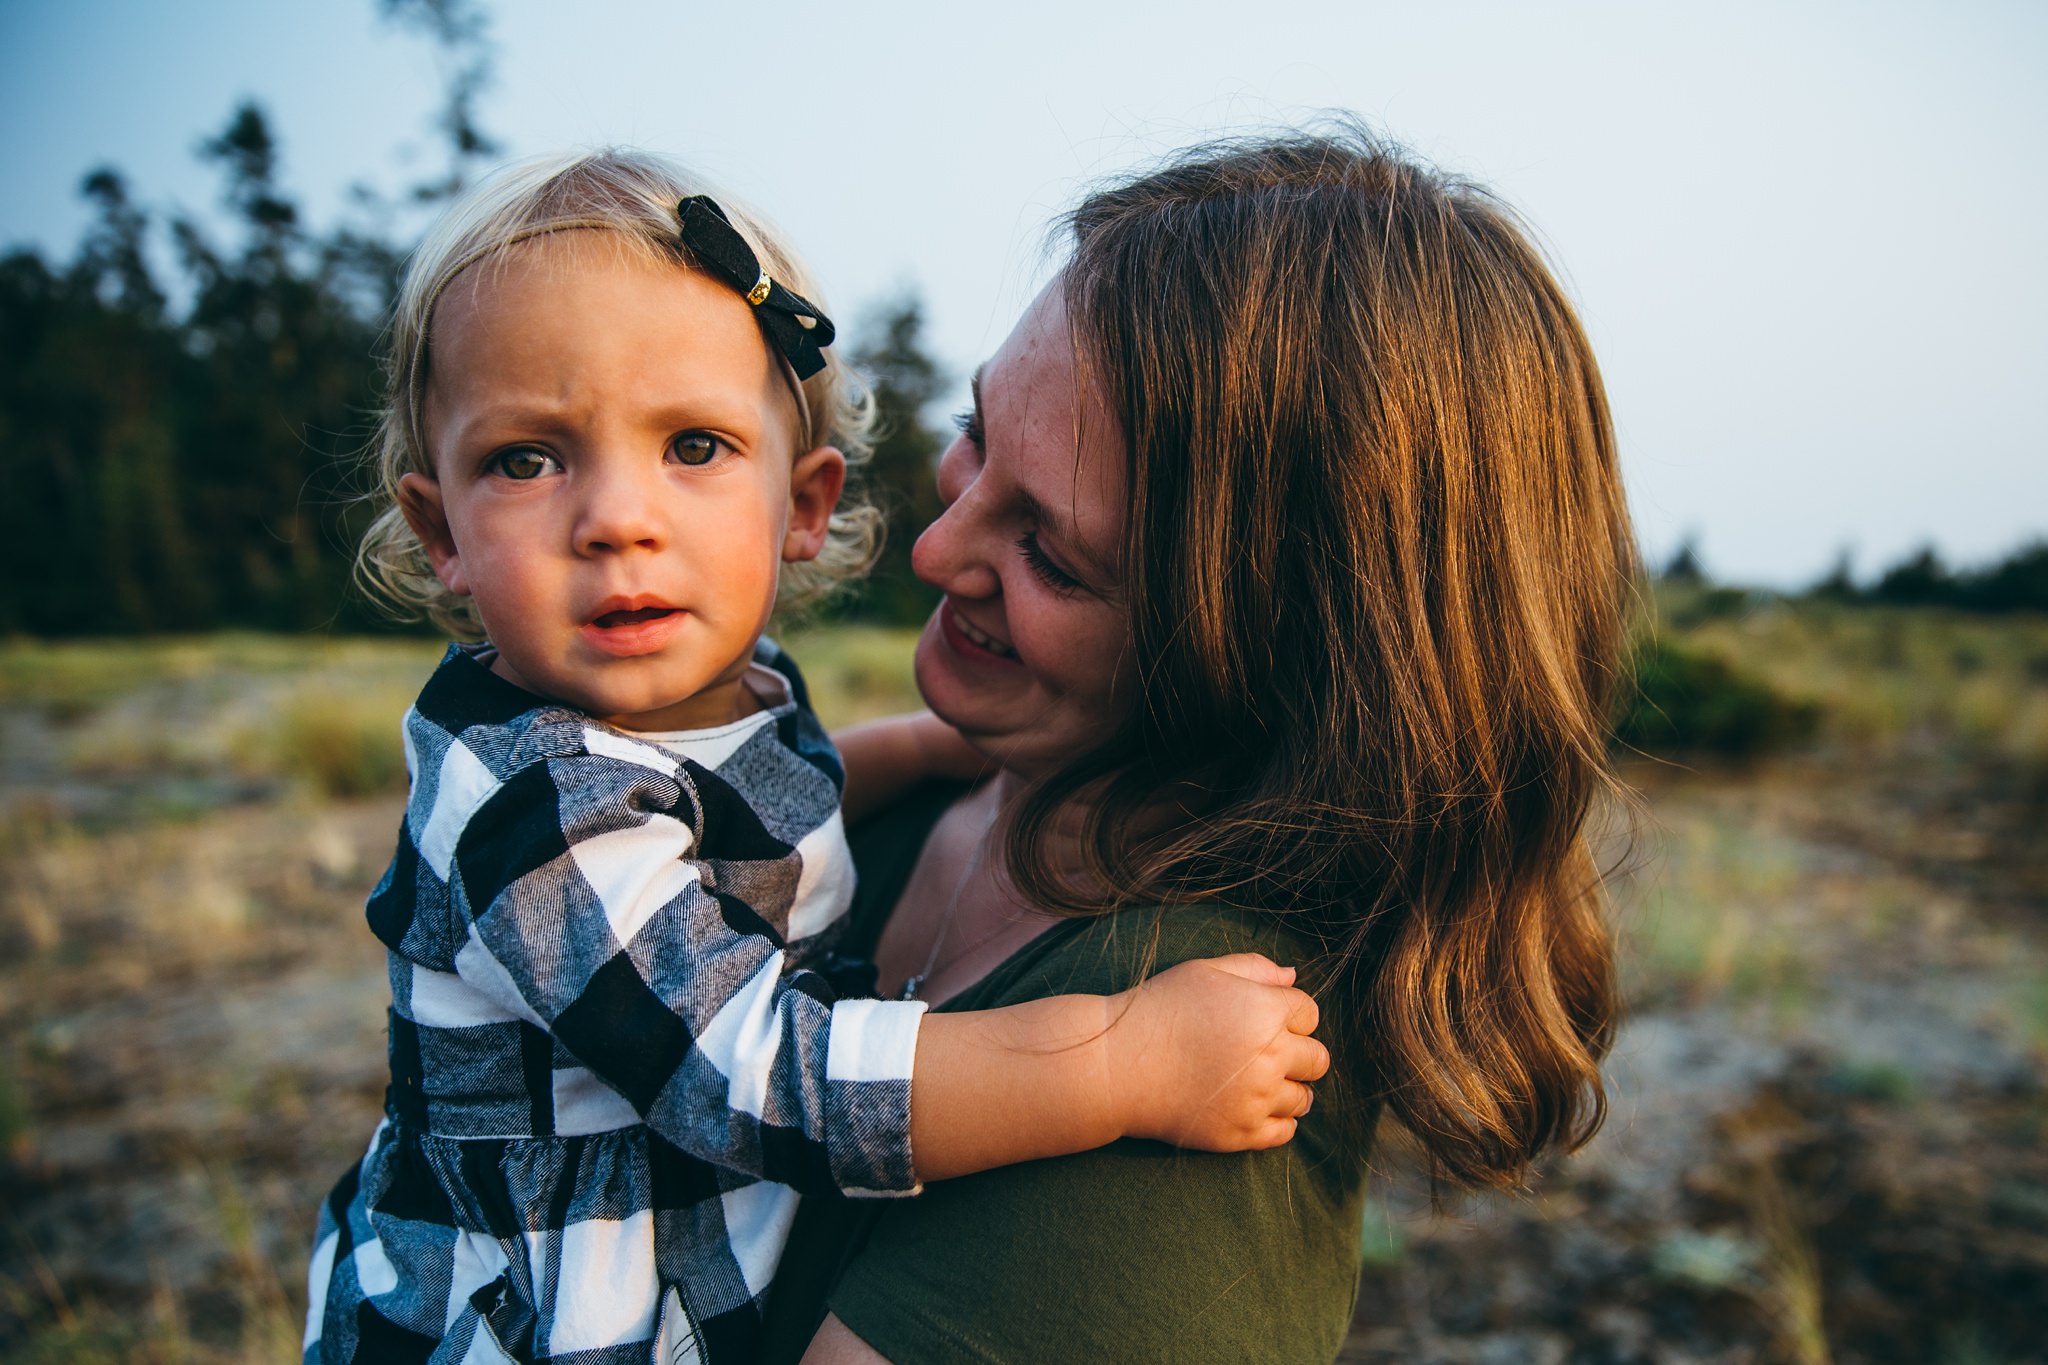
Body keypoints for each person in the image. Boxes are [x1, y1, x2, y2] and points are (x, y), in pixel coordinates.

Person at [304, 149, 1331, 1365]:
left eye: (692, 446)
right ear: (441, 536)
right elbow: (756, 1078)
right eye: (526, 459)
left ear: (799, 505)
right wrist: (1119, 1063)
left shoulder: (724, 689)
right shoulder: (530, 806)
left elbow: (755, 798)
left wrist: (922, 748)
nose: (615, 520)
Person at [761, 124, 1638, 1363]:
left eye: (1052, 556)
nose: (935, 549)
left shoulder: (1188, 1080)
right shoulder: (902, 796)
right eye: (974, 433)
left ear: (1283, 658)